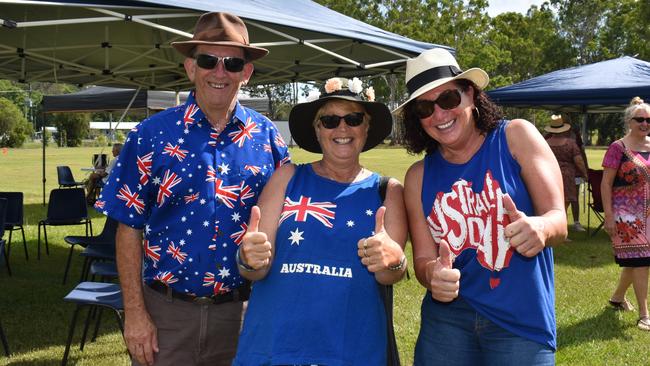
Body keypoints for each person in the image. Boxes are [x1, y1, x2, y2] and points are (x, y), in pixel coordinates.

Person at [95, 12, 290, 366]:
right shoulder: (150, 136)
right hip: (166, 315)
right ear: (190, 67)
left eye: (232, 63)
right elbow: (128, 228)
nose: (220, 72)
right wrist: (135, 314)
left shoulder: (269, 139)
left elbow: (288, 223)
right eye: (207, 60)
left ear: (246, 73)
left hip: (243, 313)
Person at [395, 48, 567, 365]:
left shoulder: (516, 136)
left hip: (520, 319)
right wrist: (434, 275)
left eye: (448, 99)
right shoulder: (417, 177)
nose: (439, 114)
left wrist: (541, 228)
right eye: (424, 107)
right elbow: (422, 257)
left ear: (471, 95)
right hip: (446, 322)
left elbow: (558, 219)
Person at [232, 77, 408, 365]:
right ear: (317, 129)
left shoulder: (388, 190)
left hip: (352, 349)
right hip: (275, 347)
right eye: (329, 120)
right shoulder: (286, 177)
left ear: (367, 127)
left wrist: (395, 260)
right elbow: (256, 269)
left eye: (353, 118)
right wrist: (247, 258)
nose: (342, 128)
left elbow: (389, 274)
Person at [601, 96, 650, 331]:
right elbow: (605, 183)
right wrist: (608, 216)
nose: (645, 124)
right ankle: (644, 314)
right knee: (642, 261)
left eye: (648, 120)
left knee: (635, 260)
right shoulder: (617, 148)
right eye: (640, 119)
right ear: (629, 122)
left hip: (648, 214)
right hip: (626, 215)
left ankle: (617, 298)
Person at [544, 115, 588, 232]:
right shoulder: (570, 143)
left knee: (551, 202)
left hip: (549, 174)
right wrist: (585, 173)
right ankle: (561, 230)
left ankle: (553, 228)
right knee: (565, 203)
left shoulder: (545, 143)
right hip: (567, 176)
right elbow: (579, 161)